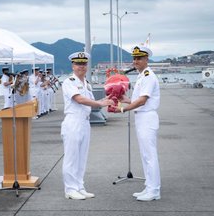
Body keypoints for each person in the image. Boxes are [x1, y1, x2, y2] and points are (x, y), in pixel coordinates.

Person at [61, 52, 113, 200]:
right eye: (78, 64)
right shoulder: (69, 81)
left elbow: (90, 100)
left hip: (84, 122)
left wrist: (106, 99)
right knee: (71, 157)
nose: (81, 67)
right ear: (73, 65)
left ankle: (79, 186)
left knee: (81, 157)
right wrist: (100, 103)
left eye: (84, 64)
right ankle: (70, 189)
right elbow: (79, 99)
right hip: (73, 122)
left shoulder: (86, 83)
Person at [114, 46, 161, 201]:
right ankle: (149, 187)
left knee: (150, 156)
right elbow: (136, 99)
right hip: (141, 117)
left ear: (147, 59)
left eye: (139, 58)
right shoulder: (142, 76)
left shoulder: (148, 76)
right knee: (145, 155)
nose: (136, 61)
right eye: (134, 59)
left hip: (147, 117)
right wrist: (123, 99)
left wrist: (123, 109)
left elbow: (142, 101)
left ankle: (154, 190)